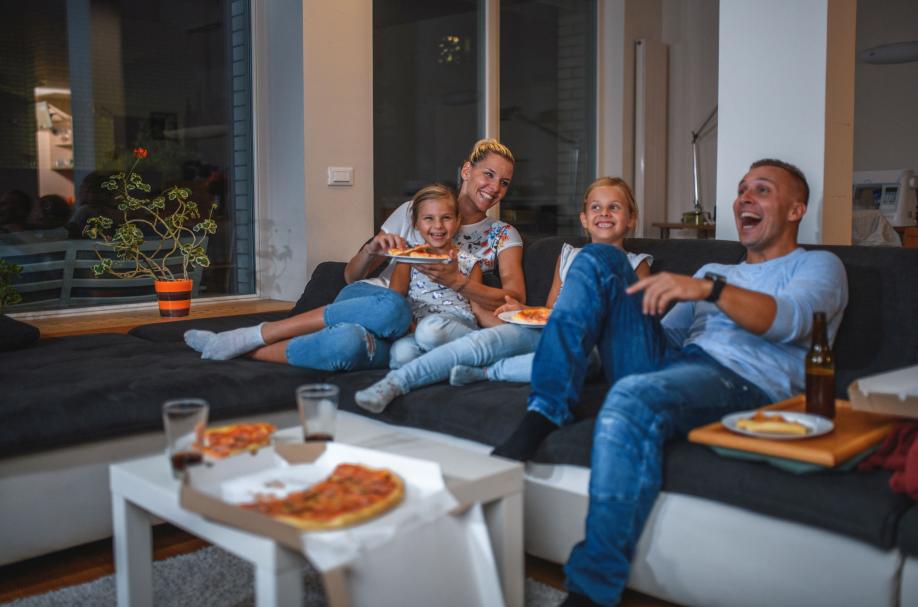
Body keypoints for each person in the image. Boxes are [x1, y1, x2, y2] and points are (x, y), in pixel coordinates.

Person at [491, 159, 849, 607]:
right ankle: (546, 406)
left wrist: (711, 291)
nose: (744, 199)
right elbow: (667, 336)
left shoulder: (819, 265)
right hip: (676, 360)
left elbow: (793, 322)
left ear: (795, 210)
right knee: (600, 255)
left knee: (633, 396)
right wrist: (610, 312)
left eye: (761, 190)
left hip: (744, 382)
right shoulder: (713, 270)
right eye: (741, 190)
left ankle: (591, 588)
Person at [184, 138, 524, 370]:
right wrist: (371, 249)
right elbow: (351, 277)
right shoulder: (416, 210)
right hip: (378, 299)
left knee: (345, 347)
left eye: (504, 182)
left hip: (415, 325)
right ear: (467, 171)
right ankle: (254, 333)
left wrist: (458, 283)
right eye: (488, 175)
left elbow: (513, 300)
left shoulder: (501, 236)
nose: (494, 187)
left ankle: (237, 348)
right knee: (393, 307)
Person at [354, 177, 651, 412]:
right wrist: (518, 309)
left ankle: (487, 372)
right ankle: (394, 382)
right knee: (483, 341)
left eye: (614, 207)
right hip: (550, 329)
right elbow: (549, 309)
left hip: (590, 343)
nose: (604, 214)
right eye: (596, 208)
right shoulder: (568, 255)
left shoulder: (637, 265)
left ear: (631, 218)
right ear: (584, 218)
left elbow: (635, 328)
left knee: (577, 361)